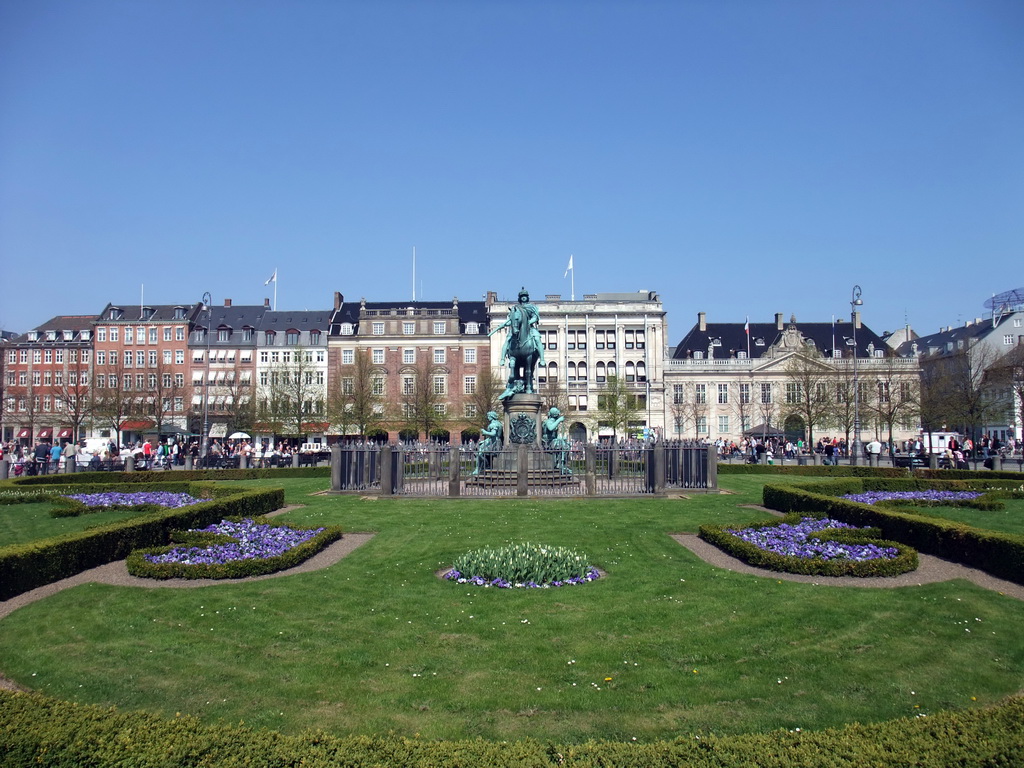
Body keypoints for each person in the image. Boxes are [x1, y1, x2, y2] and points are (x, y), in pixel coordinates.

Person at [489, 287, 545, 398]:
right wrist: (504, 324)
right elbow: (512, 319)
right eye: (522, 297)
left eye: (525, 296)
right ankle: (502, 358)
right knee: (508, 340)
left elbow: (535, 317)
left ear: (527, 298)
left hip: (529, 328)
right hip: (516, 328)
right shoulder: (515, 308)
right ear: (520, 298)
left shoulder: (531, 307)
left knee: (537, 339)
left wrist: (529, 321)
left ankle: (542, 359)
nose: (523, 298)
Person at [542, 406, 572, 475]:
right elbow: (550, 428)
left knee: (566, 445)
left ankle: (561, 464)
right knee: (563, 446)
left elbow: (555, 435)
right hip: (547, 442)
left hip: (552, 441)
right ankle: (560, 465)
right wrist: (559, 421)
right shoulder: (549, 421)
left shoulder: (553, 421)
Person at [473, 412, 503, 476]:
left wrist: (485, 432)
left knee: (480, 453)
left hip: (494, 444)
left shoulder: (494, 424)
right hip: (493, 441)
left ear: (492, 416)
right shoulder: (498, 423)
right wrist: (485, 441)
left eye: (488, 416)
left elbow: (493, 434)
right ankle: (485, 466)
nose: (488, 417)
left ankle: (480, 468)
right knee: (480, 450)